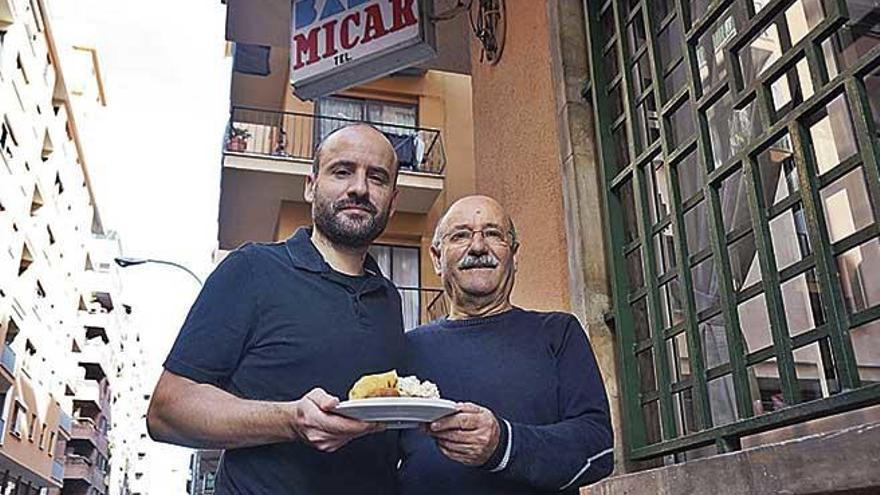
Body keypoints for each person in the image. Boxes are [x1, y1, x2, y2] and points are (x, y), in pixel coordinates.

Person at [147, 124, 405, 494]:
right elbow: (167, 412)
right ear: (310, 185)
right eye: (342, 171)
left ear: (392, 202)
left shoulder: (389, 299)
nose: (359, 188)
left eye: (376, 177)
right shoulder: (252, 269)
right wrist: (290, 420)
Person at [399, 195, 614, 495]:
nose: (477, 247)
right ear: (437, 258)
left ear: (514, 255)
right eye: (460, 235)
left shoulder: (558, 333)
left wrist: (503, 444)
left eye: (493, 234)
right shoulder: (407, 349)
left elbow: (598, 450)